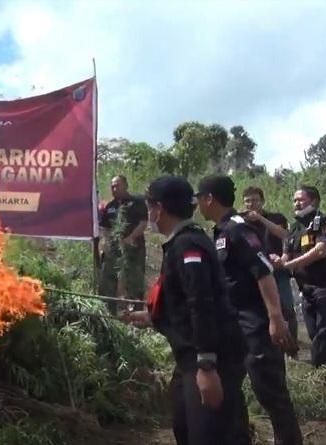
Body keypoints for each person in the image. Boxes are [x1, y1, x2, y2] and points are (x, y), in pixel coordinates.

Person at [124, 176, 249, 445]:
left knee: (208, 436)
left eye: (149, 206)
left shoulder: (188, 245)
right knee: (183, 425)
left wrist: (207, 366)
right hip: (191, 357)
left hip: (212, 357)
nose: (149, 213)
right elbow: (184, 301)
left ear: (158, 208)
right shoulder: (181, 242)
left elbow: (201, 302)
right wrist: (152, 316)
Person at [196, 175, 302, 445]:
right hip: (234, 325)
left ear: (209, 199)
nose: (197, 204)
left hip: (256, 323)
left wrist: (276, 319)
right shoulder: (220, 231)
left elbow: (263, 272)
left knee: (270, 391)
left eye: (199, 198)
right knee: (230, 389)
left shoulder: (238, 229)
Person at [275, 186, 326, 367]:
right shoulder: (295, 228)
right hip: (306, 291)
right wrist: (277, 261)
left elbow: (321, 251)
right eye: (294, 200)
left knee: (325, 335)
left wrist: (289, 265)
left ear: (314, 201)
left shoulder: (325, 222)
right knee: (314, 334)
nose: (296, 203)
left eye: (300, 199)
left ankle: (320, 376)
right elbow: (286, 255)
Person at [242, 186, 298, 355]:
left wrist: (260, 218)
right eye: (248, 201)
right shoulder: (239, 222)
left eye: (255, 200)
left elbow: (285, 235)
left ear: (263, 201)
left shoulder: (276, 217)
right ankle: (270, 348)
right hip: (253, 274)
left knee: (287, 309)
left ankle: (292, 350)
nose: (252, 204)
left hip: (278, 270)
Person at [98, 175, 148, 313]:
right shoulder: (110, 206)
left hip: (134, 247)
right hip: (114, 248)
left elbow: (143, 223)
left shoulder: (137, 202)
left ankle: (136, 313)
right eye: (112, 186)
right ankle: (110, 311)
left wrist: (130, 238)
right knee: (108, 277)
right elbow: (105, 228)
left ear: (126, 185)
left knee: (135, 279)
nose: (114, 189)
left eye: (117, 185)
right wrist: (107, 243)